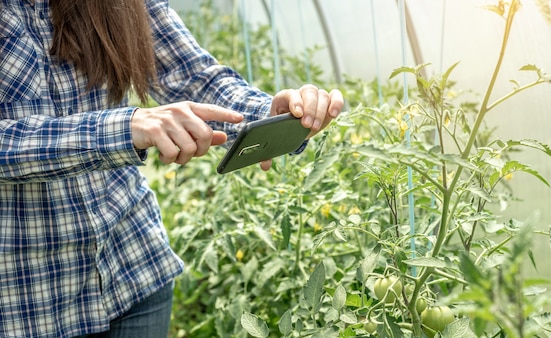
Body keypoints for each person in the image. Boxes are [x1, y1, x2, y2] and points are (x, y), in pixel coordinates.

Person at [0, 0, 344, 337]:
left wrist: (268, 114)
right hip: (29, 300)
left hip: (132, 267)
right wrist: (126, 128)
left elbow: (190, 73)